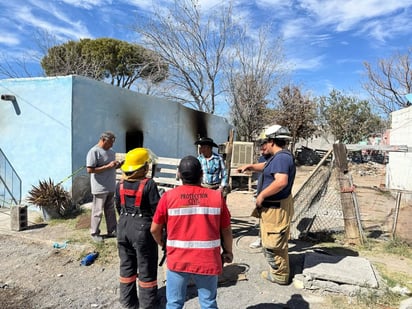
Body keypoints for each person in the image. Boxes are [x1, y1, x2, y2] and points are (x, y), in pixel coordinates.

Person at [151, 155, 233, 309]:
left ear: (179, 175)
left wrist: (164, 244)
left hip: (178, 260)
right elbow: (226, 230)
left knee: (174, 303)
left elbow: (154, 229)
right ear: (202, 174)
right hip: (207, 259)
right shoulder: (217, 197)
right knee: (208, 303)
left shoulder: (168, 197)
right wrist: (228, 252)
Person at [238, 125, 296, 285]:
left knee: (273, 243)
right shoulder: (277, 157)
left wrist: (262, 194)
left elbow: (281, 181)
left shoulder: (282, 158)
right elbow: (267, 167)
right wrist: (250, 166)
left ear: (271, 141)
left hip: (275, 208)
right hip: (274, 207)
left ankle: (280, 275)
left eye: (265, 141)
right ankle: (278, 270)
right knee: (272, 239)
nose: (263, 145)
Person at [115, 148, 161, 309]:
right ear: (143, 168)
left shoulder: (119, 184)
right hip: (142, 230)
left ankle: (128, 302)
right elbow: (158, 212)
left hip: (123, 227)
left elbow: (117, 206)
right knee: (146, 266)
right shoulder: (149, 184)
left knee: (127, 265)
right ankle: (147, 304)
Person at [86, 131, 120, 242]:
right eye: (110, 142)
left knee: (110, 209)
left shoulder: (111, 152)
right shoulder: (94, 151)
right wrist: (107, 166)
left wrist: (117, 165)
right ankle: (94, 233)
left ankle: (112, 230)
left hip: (110, 185)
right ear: (103, 140)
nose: (112, 145)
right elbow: (90, 169)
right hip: (99, 186)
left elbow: (111, 168)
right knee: (98, 211)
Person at [249, 137, 272, 249]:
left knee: (270, 220)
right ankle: (260, 238)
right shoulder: (262, 158)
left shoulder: (276, 159)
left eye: (264, 149)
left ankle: (270, 242)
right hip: (261, 191)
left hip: (270, 194)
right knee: (261, 218)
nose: (262, 152)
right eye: (260, 150)